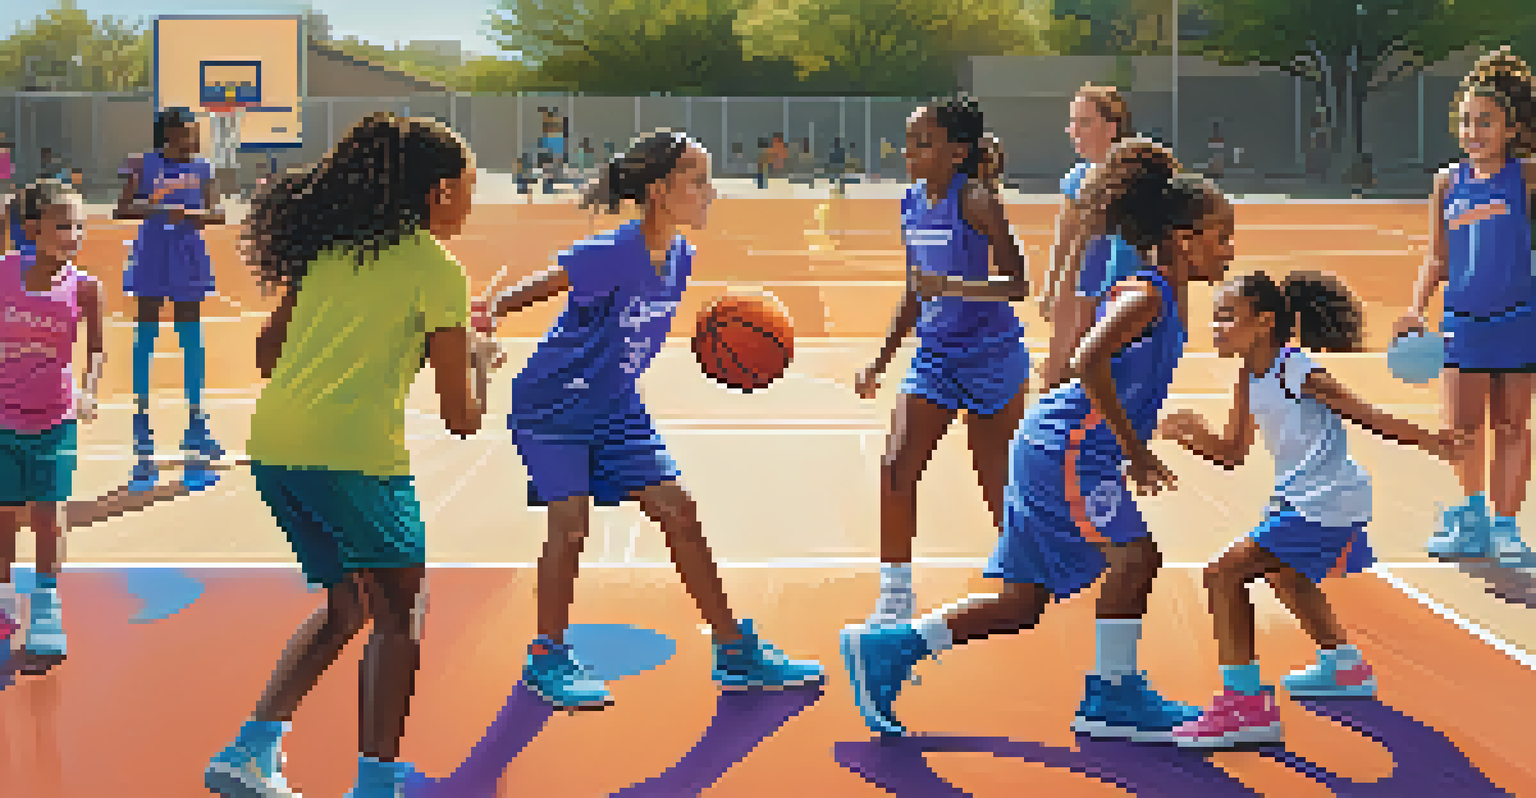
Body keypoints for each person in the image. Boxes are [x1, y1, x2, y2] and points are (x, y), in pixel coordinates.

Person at [842, 139, 1234, 741]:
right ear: (1183, 239)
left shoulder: (1165, 291)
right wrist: (1135, 450)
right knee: (1137, 559)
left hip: (1061, 447)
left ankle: (890, 650)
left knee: (1024, 603)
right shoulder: (1146, 294)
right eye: (1219, 235)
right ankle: (1112, 694)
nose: (1228, 250)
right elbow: (1087, 357)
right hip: (1069, 451)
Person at [473, 129, 823, 711]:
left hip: (615, 406)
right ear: (660, 191)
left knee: (678, 511)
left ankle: (734, 651)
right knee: (571, 524)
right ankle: (547, 657)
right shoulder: (614, 252)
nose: (710, 191)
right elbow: (548, 284)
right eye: (698, 180)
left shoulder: (682, 258)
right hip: (554, 405)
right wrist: (486, 314)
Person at [204, 113, 495, 798]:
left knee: (347, 606)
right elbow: (460, 419)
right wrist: (480, 361)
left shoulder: (327, 250)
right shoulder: (439, 271)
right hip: (356, 458)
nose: (471, 201)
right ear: (440, 192)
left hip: (276, 451)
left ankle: (251, 748)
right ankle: (377, 784)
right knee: (401, 615)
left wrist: (390, 343)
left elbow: (267, 356)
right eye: (469, 187)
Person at [1161, 271, 1466, 748]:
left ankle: (1245, 708)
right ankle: (1344, 667)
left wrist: (1432, 441)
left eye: (1227, 317)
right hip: (1299, 497)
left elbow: (1365, 414)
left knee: (1222, 575)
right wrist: (1191, 434)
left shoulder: (1295, 370)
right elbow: (1231, 452)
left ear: (1263, 322)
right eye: (1215, 317)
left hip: (1326, 501)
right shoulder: (1248, 374)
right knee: (1286, 575)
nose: (1216, 327)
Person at [856, 97, 1030, 626]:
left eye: (922, 143)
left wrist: (952, 287)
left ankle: (1027, 577)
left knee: (995, 483)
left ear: (956, 152)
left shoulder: (975, 201)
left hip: (991, 357)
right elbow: (914, 292)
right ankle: (895, 591)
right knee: (895, 466)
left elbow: (1019, 284)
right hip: (934, 357)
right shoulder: (909, 202)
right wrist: (881, 360)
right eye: (909, 142)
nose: (909, 151)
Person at [1397, 47, 1536, 566]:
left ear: (1511, 128)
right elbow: (1436, 256)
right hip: (1462, 324)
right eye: (1466, 121)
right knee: (1462, 429)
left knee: (1514, 427)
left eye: (1486, 122)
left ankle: (1505, 526)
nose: (1473, 131)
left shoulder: (1524, 177)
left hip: (1520, 320)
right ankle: (1472, 516)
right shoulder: (1446, 182)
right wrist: (1416, 308)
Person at [0, 180, 104, 675]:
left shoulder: (85, 288)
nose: (75, 233)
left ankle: (45, 605)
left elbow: (97, 349)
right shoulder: (2, 276)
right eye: (64, 225)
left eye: (80, 225)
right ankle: (2, 601)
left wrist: (90, 388)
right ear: (31, 229)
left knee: (48, 513)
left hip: (55, 418)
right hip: (1, 417)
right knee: (2, 513)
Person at [114, 107, 227, 493]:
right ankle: (141, 423)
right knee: (145, 335)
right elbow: (122, 208)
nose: (192, 139)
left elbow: (218, 213)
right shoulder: (141, 163)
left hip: (188, 254)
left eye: (193, 134)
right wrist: (163, 209)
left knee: (191, 337)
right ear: (167, 135)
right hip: (152, 253)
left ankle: (197, 423)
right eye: (185, 133)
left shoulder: (204, 168)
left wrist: (195, 215)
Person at [1040, 84, 1144, 391]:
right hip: (1083, 290)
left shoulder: (1138, 174)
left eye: (1085, 122)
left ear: (1111, 127)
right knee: (1060, 378)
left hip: (1128, 294)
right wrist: (1052, 289)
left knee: (1116, 385)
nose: (1074, 131)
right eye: (1073, 122)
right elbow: (1066, 240)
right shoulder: (1075, 179)